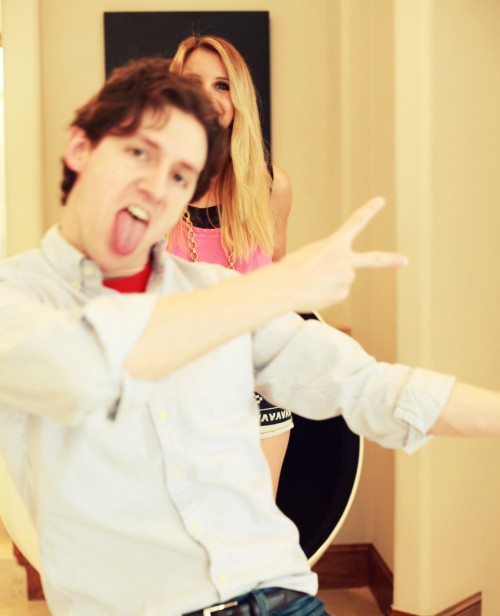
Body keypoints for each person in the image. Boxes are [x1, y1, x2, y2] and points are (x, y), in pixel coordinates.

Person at [1, 57, 499, 616]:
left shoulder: (217, 290)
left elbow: (371, 386)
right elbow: (86, 372)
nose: (156, 186)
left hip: (282, 598)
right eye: (140, 152)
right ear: (80, 148)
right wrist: (273, 289)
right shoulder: (13, 298)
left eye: (181, 176)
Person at [168, 35, 293, 495]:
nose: (208, 96)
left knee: (254, 525)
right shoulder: (152, 191)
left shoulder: (272, 187)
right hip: (176, 395)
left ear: (238, 100)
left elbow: (276, 281)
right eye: (193, 83)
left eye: (222, 85)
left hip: (258, 392)